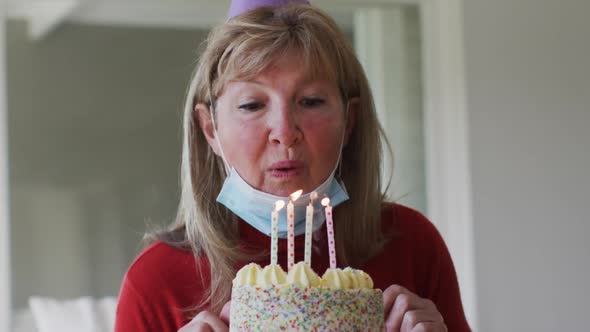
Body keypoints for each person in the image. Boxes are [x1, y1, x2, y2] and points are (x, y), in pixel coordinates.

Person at [115, 0, 471, 331]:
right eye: (252, 105)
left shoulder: (413, 246)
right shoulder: (157, 282)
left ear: (349, 122)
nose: (285, 134)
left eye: (311, 101)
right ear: (210, 129)